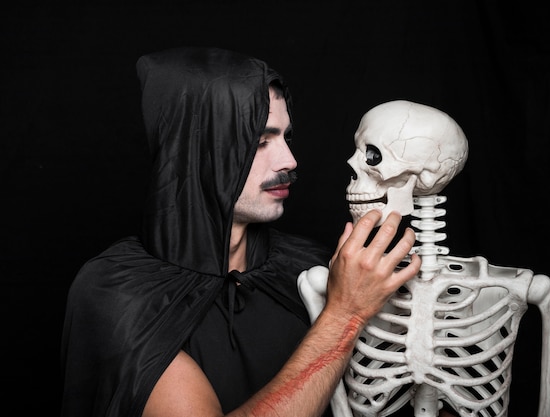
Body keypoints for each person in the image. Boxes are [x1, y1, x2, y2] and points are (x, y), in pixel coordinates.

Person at [60, 46, 424, 417]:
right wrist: (345, 315)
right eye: (260, 141)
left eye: (286, 137)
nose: (289, 161)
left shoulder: (309, 267)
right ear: (197, 150)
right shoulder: (118, 292)